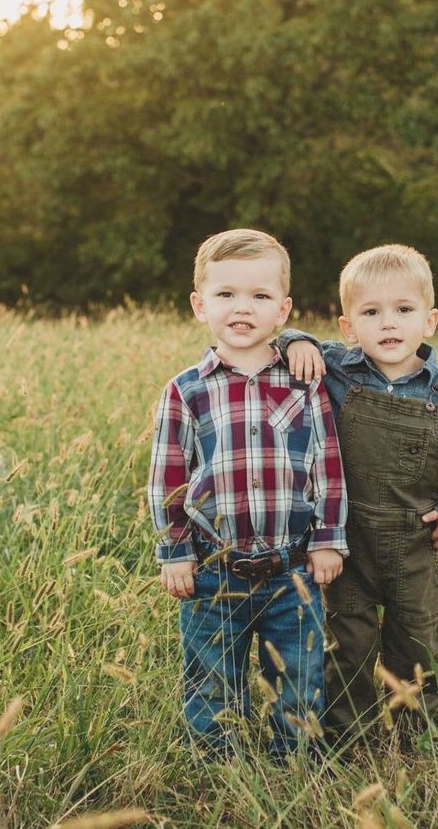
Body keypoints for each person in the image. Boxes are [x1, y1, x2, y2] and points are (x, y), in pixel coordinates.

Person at [275, 244, 438, 747]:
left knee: (415, 645)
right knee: (347, 645)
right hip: (347, 543)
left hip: (414, 543)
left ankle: (417, 739)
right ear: (349, 326)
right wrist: (295, 342)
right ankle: (345, 738)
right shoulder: (337, 368)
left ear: (431, 320)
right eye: (371, 312)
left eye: (404, 310)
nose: (388, 323)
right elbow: (288, 336)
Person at [147, 228, 348, 759]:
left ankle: (294, 764)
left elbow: (327, 465)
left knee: (300, 679)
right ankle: (219, 770)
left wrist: (328, 538)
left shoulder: (305, 380)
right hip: (214, 569)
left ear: (282, 310)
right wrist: (175, 551)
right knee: (212, 680)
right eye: (226, 295)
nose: (243, 308)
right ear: (199, 305)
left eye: (260, 297)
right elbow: (169, 478)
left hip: (293, 569)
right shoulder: (185, 389)